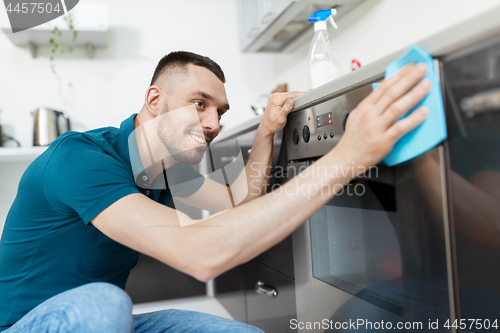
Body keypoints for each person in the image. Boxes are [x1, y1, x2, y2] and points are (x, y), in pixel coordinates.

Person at [0, 51, 431, 332]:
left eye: (219, 112)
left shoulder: (161, 167)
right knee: (103, 304)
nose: (212, 124)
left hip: (107, 323)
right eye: (200, 103)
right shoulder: (79, 159)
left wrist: (266, 131)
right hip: (33, 324)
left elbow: (235, 201)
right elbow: (199, 254)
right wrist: (349, 156)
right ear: (155, 100)